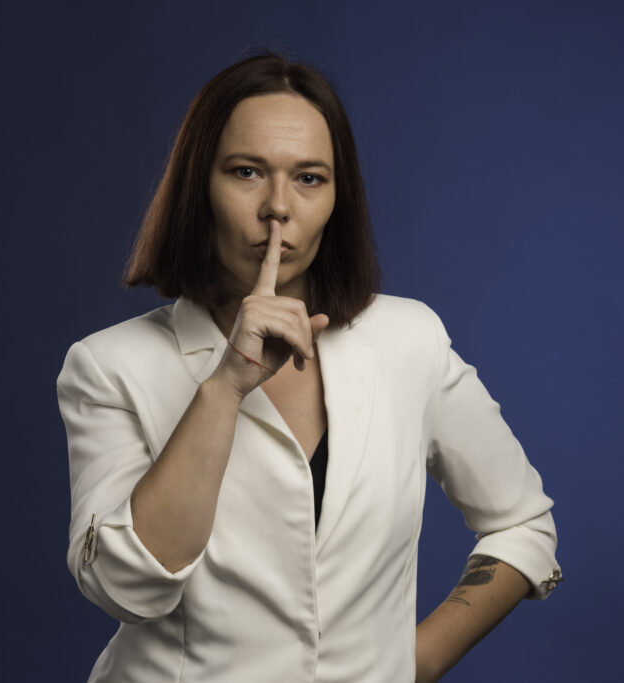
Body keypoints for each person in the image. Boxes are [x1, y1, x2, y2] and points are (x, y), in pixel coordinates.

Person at [57, 51, 562, 683]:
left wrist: (415, 662)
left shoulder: (410, 340)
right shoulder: (109, 367)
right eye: (246, 172)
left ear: (337, 199)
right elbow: (126, 589)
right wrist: (224, 386)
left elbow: (521, 523)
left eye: (310, 178)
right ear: (200, 188)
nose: (277, 207)